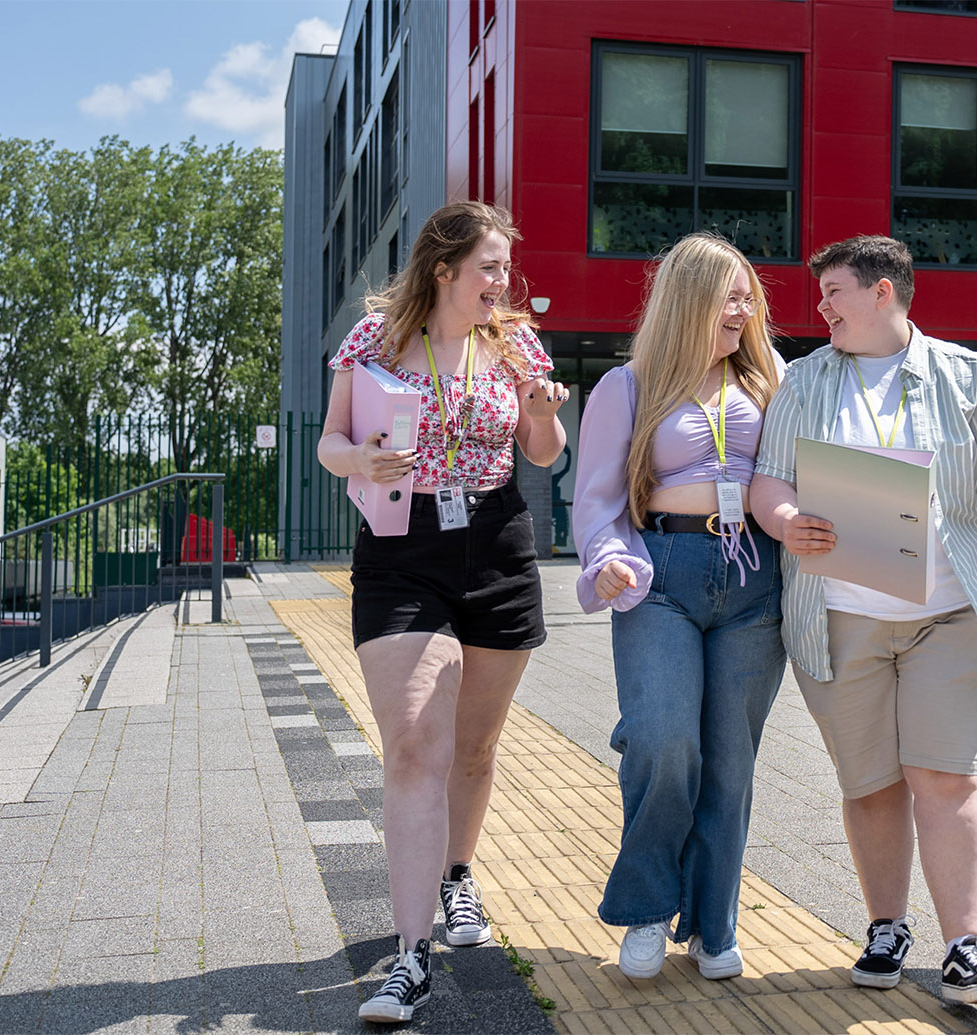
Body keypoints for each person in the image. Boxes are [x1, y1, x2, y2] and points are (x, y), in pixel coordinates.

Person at [750, 236, 977, 1006]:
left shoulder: (969, 374)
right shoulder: (804, 380)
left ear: (884, 293)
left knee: (945, 774)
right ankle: (887, 925)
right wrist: (788, 521)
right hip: (839, 615)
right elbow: (767, 481)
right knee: (871, 782)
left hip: (948, 614)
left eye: (835, 293)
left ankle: (968, 948)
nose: (821, 308)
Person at [315, 201, 567, 1025]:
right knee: (417, 739)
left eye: (506, 268)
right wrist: (359, 456)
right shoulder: (375, 338)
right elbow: (329, 444)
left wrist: (542, 413)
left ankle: (460, 875)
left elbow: (541, 453)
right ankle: (410, 955)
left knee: (476, 745)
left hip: (496, 539)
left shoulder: (516, 342)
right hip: (401, 542)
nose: (504, 282)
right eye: (490, 267)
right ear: (444, 269)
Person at [571, 232, 786, 983]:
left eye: (748, 296)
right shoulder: (625, 387)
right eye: (731, 294)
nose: (746, 309)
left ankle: (712, 925)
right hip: (656, 575)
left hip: (756, 580)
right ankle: (644, 907)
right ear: (690, 297)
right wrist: (606, 559)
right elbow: (596, 498)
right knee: (666, 742)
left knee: (730, 762)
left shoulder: (770, 382)